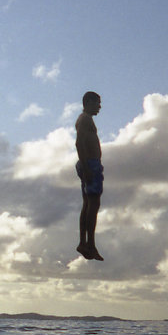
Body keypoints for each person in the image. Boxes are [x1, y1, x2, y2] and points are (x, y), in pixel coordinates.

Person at [75, 90, 104, 261]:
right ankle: (89, 244)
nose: (99, 107)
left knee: (88, 204)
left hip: (91, 164)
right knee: (92, 205)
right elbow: (79, 143)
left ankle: (85, 243)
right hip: (90, 164)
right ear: (88, 103)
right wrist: (86, 167)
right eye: (97, 103)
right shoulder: (84, 119)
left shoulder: (86, 119)